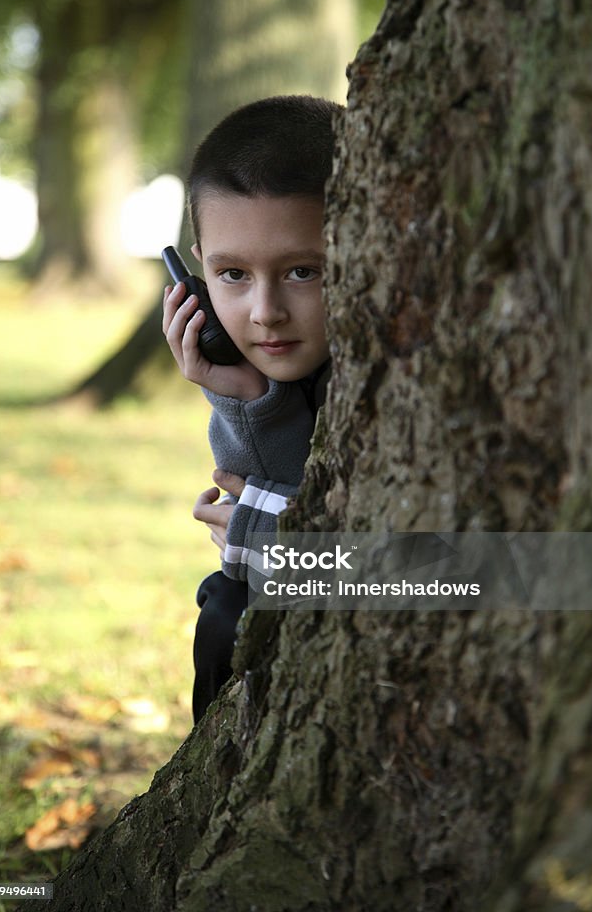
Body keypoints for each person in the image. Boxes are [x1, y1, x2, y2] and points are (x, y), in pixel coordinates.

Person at [162, 95, 341, 722]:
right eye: (232, 274)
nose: (264, 311)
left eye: (302, 272)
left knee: (233, 604)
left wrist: (254, 534)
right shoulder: (265, 378)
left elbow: (430, 573)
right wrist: (243, 396)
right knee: (228, 605)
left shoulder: (376, 376)